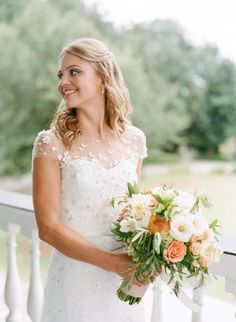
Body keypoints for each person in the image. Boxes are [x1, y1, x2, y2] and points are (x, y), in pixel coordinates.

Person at [32, 38, 151, 322]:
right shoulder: (50, 143)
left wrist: (154, 251)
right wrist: (113, 264)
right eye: (61, 75)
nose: (63, 82)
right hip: (75, 278)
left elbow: (135, 213)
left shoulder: (135, 140)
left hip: (123, 282)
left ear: (103, 77)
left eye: (74, 72)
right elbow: (48, 228)